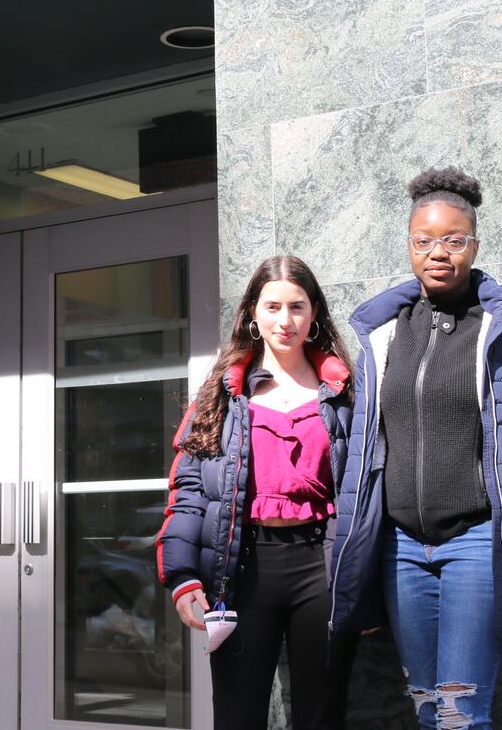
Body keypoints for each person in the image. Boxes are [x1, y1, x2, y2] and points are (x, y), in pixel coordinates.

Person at [327, 167, 502, 729]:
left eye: (453, 240)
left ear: (474, 245)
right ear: (409, 246)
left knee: (460, 714)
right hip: (401, 549)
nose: (438, 253)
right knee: (425, 707)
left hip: (477, 543)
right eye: (424, 240)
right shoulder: (385, 332)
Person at [158, 255, 359, 730]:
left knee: (322, 717)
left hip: (323, 565)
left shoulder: (347, 393)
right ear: (253, 313)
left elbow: (367, 491)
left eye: (296, 307)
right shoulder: (223, 394)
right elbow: (190, 488)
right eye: (272, 307)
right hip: (241, 568)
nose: (284, 320)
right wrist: (184, 577)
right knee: (237, 715)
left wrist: (366, 582)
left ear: (314, 315)